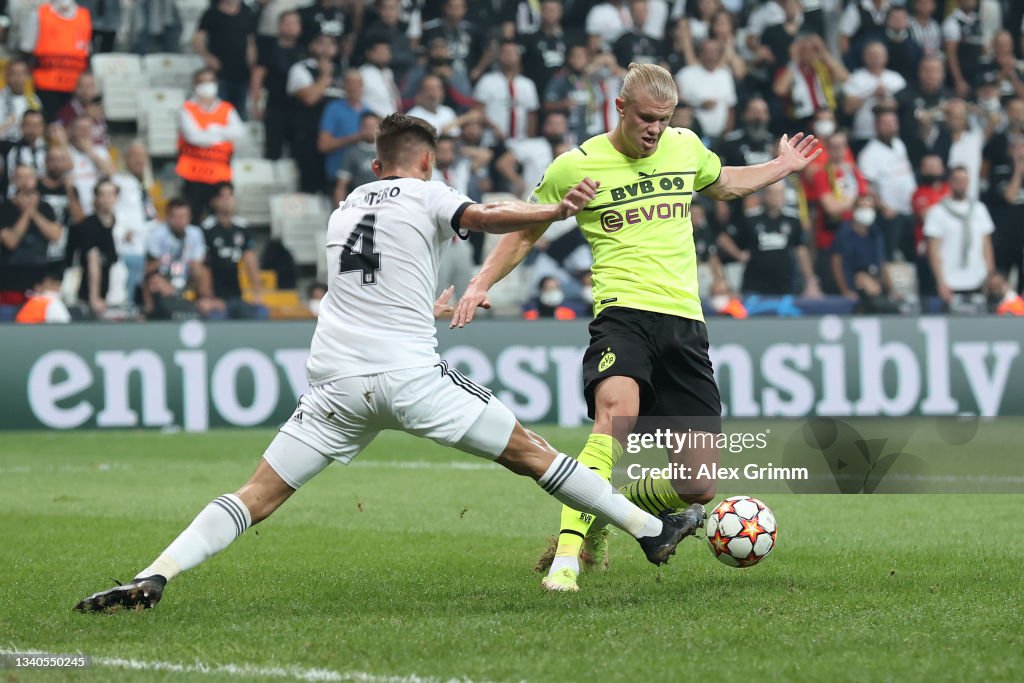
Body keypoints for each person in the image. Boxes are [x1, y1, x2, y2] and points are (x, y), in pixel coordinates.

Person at [74, 113, 698, 613]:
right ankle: (649, 529)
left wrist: (420, 311)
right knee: (533, 453)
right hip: (408, 378)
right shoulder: (429, 192)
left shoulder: (344, 209)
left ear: (377, 164)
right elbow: (481, 217)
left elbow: (362, 291)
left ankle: (155, 574)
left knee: (256, 495)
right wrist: (554, 210)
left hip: (335, 386)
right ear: (427, 162)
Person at [450, 63, 821, 593]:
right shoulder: (575, 165)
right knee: (614, 418)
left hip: (685, 325)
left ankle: (602, 511)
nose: (655, 129)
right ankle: (566, 561)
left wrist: (781, 166)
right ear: (619, 108)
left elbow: (726, 183)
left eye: (664, 120)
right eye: (647, 118)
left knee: (698, 484)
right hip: (622, 317)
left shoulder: (685, 146)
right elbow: (527, 230)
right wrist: (480, 280)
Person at [718, 181, 820, 297]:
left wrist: (810, 280)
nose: (775, 197)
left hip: (785, 285)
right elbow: (722, 238)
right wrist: (739, 254)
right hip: (754, 285)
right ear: (764, 195)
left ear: (784, 196)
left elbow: (801, 250)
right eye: (772, 193)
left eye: (779, 193)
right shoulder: (751, 219)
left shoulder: (793, 220)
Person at [178, 69, 245, 222]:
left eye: (210, 81)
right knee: (194, 217)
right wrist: (222, 134)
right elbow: (194, 137)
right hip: (194, 174)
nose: (207, 85)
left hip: (220, 174)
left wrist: (211, 129)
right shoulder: (187, 108)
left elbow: (238, 131)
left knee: (224, 216)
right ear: (195, 85)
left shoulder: (226, 108)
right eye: (202, 81)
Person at [925, 166, 995, 309]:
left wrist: (990, 275)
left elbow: (986, 245)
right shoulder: (937, 212)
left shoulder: (979, 209)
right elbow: (933, 250)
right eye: (957, 179)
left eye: (964, 180)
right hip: (950, 280)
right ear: (949, 181)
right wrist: (940, 281)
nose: (961, 184)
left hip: (977, 279)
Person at [200, 183, 267, 319]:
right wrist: (209, 297)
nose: (227, 201)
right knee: (216, 317)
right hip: (214, 296)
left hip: (236, 295)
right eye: (222, 196)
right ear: (213, 201)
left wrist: (257, 293)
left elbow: (250, 261)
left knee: (261, 313)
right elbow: (203, 266)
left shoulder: (242, 227)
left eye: (230, 196)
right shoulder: (206, 229)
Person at [141, 198, 213, 319]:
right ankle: (150, 309)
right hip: (164, 276)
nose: (180, 221)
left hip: (186, 276)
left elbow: (197, 263)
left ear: (189, 217)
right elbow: (149, 267)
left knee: (204, 272)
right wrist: (164, 261)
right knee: (154, 280)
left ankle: (205, 301)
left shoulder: (195, 233)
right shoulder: (157, 234)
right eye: (176, 217)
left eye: (184, 216)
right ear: (168, 217)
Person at [287, 32, 340, 194]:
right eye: (321, 43)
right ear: (312, 46)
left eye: (330, 44)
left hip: (336, 140)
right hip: (309, 137)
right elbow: (309, 98)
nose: (326, 48)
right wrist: (324, 76)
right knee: (311, 186)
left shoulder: (341, 70)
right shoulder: (300, 68)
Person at [21, 0, 92, 119]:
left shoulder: (84, 16)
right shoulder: (39, 13)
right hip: (44, 88)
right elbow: (26, 51)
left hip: (74, 90)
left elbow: (87, 51)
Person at [0, 174, 63, 307]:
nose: (25, 181)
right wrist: (25, 214)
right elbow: (11, 242)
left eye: (29, 177)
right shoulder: (5, 208)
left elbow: (56, 236)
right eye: (21, 176)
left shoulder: (45, 208)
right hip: (10, 278)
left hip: (39, 277)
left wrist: (33, 212)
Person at [251, 10, 304, 160]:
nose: (291, 27)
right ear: (279, 26)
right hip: (275, 104)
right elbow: (257, 77)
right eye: (287, 23)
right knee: (273, 148)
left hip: (298, 107)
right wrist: (256, 103)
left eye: (295, 23)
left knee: (297, 150)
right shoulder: (268, 48)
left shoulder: (304, 50)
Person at [193, 0, 257, 118]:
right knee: (219, 111)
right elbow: (198, 39)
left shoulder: (247, 12)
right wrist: (208, 57)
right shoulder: (211, 13)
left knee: (240, 112)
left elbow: (251, 41)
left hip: (242, 71)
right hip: (219, 71)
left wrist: (252, 63)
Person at [65, 177, 119, 317]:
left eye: (111, 194)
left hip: (115, 287)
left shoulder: (119, 222)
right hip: (89, 291)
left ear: (116, 198)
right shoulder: (89, 225)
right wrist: (94, 297)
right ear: (96, 198)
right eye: (103, 194)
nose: (107, 199)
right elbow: (93, 261)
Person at [113, 141, 157, 303]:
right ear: (125, 159)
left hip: (145, 249)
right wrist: (121, 230)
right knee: (126, 295)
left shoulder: (145, 185)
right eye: (134, 156)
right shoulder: (118, 182)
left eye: (142, 156)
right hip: (127, 249)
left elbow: (148, 216)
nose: (139, 160)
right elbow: (110, 208)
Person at [473, 40, 540, 142]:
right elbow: (477, 111)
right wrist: (493, 128)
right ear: (498, 56)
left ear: (519, 56)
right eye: (505, 52)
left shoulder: (528, 84)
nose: (509, 55)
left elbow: (531, 116)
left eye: (512, 52)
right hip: (491, 139)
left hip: (521, 142)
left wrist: (530, 139)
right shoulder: (487, 81)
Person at [675, 39, 736, 141]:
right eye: (707, 51)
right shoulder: (686, 74)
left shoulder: (725, 75)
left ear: (720, 55)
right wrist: (700, 104)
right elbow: (678, 103)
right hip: (691, 136)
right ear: (700, 53)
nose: (710, 55)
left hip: (720, 137)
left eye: (714, 51)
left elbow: (730, 107)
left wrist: (727, 133)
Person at [318, 70, 369, 189]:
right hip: (337, 174)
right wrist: (356, 137)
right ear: (344, 86)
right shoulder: (333, 109)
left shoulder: (368, 111)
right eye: (350, 83)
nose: (354, 87)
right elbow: (323, 145)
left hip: (363, 178)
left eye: (357, 84)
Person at [332, 112, 381, 205]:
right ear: (360, 128)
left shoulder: (387, 152)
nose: (370, 130)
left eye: (373, 126)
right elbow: (341, 186)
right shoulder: (351, 153)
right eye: (367, 126)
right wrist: (340, 209)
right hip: (360, 203)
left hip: (383, 202)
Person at [55, 72, 109, 147]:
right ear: (75, 88)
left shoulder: (101, 107)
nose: (85, 90)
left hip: (101, 151)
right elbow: (57, 139)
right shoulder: (67, 110)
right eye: (81, 86)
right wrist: (84, 115)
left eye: (90, 86)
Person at [0, 59, 43, 143]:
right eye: (14, 74)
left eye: (22, 74)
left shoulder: (34, 100)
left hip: (26, 145)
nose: (18, 78)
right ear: (6, 77)